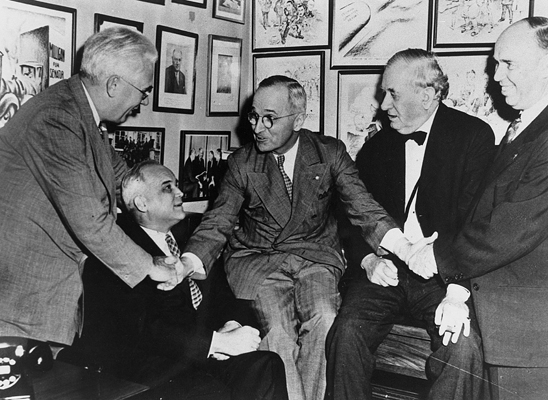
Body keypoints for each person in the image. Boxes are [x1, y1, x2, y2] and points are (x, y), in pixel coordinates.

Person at [179, 75, 432, 400]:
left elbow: (363, 207)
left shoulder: (329, 153)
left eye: (270, 118)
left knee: (325, 320)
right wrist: (189, 259)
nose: (257, 127)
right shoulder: (243, 163)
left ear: (298, 119)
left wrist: (405, 248)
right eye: (254, 116)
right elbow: (219, 219)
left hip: (316, 257)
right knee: (279, 333)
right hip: (259, 261)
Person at [326, 49, 495, 400]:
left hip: (444, 277)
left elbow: (475, 224)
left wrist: (455, 289)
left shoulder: (473, 137)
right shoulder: (376, 148)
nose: (384, 104)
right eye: (383, 93)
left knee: (462, 348)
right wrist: (368, 260)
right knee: (345, 334)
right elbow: (352, 216)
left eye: (393, 94)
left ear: (428, 93)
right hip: (383, 271)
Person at [0, 27, 185, 348]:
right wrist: (150, 266)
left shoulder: (81, 115)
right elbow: (90, 219)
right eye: (144, 91)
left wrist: (159, 198)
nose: (142, 103)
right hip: (21, 297)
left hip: (47, 291)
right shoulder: (56, 118)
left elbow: (124, 179)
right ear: (114, 85)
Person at [60, 160, 289, 400]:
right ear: (142, 203)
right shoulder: (119, 250)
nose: (181, 193)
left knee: (265, 365)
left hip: (200, 354)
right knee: (209, 391)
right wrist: (216, 343)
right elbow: (144, 328)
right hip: (148, 362)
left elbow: (223, 295)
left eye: (177, 186)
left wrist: (233, 325)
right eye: (167, 188)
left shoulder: (193, 240)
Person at [408, 17, 548, 399]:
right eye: (496, 64)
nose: (496, 76)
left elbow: (511, 227)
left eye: (508, 64)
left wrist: (437, 256)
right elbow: (481, 211)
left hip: (527, 334)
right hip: (494, 315)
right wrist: (457, 291)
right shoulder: (522, 128)